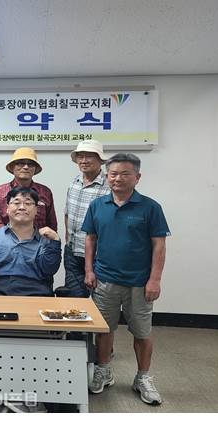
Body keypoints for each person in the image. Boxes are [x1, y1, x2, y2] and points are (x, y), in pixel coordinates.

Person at [82, 153, 170, 405]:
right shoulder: (97, 205)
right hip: (105, 280)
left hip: (139, 283)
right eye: (113, 174)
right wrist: (89, 270)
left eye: (125, 174)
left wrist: (155, 280)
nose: (118, 178)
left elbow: (159, 245)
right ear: (107, 176)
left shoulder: (150, 207)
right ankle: (103, 370)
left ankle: (143, 377)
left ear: (137, 177)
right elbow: (90, 239)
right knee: (104, 329)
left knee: (142, 332)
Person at [0, 187, 62, 296]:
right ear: (7, 208)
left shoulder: (46, 239)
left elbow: (49, 269)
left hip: (36, 296)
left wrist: (55, 241)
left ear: (36, 210)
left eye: (28, 203)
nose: (22, 207)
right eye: (16, 203)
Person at [62, 140, 111, 298]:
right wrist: (68, 240)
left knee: (101, 301)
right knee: (74, 300)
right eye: (80, 156)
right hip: (73, 253)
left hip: (99, 255)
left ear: (100, 160)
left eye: (89, 156)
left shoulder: (110, 186)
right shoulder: (74, 183)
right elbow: (67, 213)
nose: (83, 160)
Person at [0, 147, 57, 231]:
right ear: (12, 167)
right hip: (4, 238)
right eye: (20, 163)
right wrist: (7, 232)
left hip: (39, 238)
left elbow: (52, 225)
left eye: (30, 164)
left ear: (35, 168)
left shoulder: (45, 192)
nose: (26, 167)